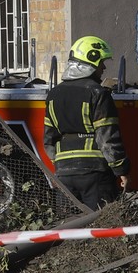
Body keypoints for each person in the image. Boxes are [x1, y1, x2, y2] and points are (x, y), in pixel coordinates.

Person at [43, 36, 129, 210]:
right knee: (101, 223)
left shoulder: (53, 95)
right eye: (101, 62)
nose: (103, 68)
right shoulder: (98, 93)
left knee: (68, 223)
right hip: (95, 174)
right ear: (91, 60)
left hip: (64, 174)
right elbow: (107, 138)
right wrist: (121, 170)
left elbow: (49, 139)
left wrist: (60, 165)